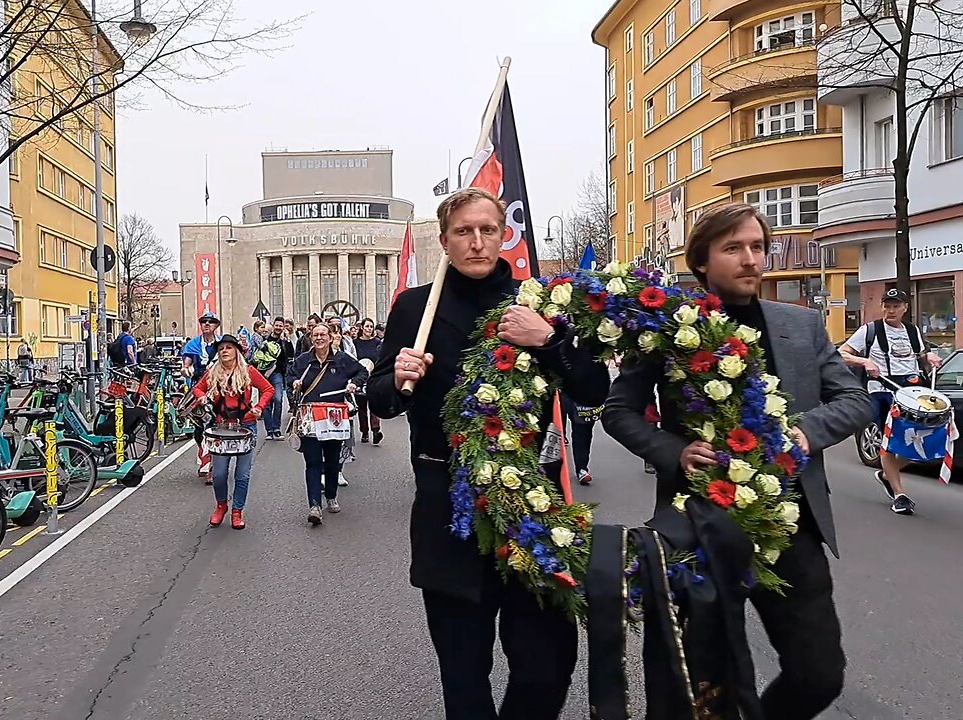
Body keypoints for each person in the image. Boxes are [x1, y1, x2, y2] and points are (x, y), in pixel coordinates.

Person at [602, 202, 869, 720]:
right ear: (701, 261)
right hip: (695, 526)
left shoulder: (802, 324)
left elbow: (855, 400)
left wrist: (805, 433)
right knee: (705, 679)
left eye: (757, 247)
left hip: (789, 525)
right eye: (734, 248)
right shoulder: (665, 328)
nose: (751, 259)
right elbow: (619, 411)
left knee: (818, 675)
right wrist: (673, 451)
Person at [367, 188, 609, 720]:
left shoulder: (540, 301)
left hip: (535, 514)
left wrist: (549, 340)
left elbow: (594, 390)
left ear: (505, 235)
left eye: (487, 230)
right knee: (464, 677)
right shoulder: (415, 308)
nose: (476, 242)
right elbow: (380, 401)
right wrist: (397, 378)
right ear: (445, 240)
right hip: (448, 514)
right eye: (463, 232)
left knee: (546, 668)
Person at [838, 288, 942, 515]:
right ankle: (900, 495)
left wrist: (929, 357)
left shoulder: (913, 331)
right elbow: (841, 353)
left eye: (896, 306)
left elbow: (920, 358)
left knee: (925, 442)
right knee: (889, 442)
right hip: (882, 391)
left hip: (912, 392)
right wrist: (864, 361)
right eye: (887, 305)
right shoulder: (871, 330)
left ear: (905, 307)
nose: (890, 310)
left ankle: (886, 474)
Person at [286, 322, 367, 524]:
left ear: (331, 337)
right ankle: (314, 505)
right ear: (311, 338)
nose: (319, 338)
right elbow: (290, 375)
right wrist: (294, 383)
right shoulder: (304, 360)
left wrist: (353, 384)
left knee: (332, 460)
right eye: (316, 335)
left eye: (323, 335)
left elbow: (362, 372)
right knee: (312, 462)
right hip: (310, 416)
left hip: (334, 416)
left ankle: (331, 496)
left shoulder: (341, 359)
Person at [192, 334, 273, 530]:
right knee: (219, 474)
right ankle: (221, 506)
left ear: (236, 351)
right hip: (221, 428)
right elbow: (197, 388)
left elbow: (268, 389)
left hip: (246, 426)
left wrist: (260, 407)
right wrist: (202, 397)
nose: (225, 351)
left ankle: (237, 511)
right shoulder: (213, 372)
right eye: (221, 349)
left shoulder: (248, 371)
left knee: (242, 474)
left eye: (229, 348)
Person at [183, 312, 222, 483]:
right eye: (204, 321)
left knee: (214, 425)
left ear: (216, 325)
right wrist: (186, 370)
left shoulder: (222, 344)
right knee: (199, 428)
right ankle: (203, 450)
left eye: (210, 322)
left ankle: (211, 465)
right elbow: (186, 364)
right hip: (198, 388)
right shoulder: (193, 345)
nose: (207, 324)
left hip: (218, 389)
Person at [353, 317, 384, 446]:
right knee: (362, 406)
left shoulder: (377, 342)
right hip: (360, 377)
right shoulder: (355, 343)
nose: (369, 329)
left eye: (371, 327)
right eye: (367, 326)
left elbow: (381, 358)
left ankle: (376, 430)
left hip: (374, 377)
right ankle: (364, 431)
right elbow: (353, 358)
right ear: (362, 328)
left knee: (374, 404)